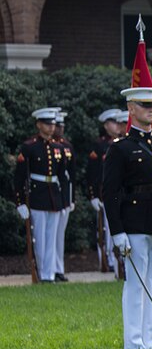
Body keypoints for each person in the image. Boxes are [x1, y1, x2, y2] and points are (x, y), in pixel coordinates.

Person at [102, 86, 152, 349]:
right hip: (135, 223)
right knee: (137, 284)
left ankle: (151, 339)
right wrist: (117, 232)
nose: (151, 110)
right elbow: (110, 194)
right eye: (145, 105)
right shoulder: (121, 149)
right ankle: (134, 342)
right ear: (131, 109)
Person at [13, 107, 65, 283]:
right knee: (40, 237)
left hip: (54, 196)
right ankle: (41, 272)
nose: (51, 127)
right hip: (37, 195)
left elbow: (63, 176)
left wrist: (65, 201)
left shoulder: (58, 147)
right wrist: (20, 202)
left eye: (52, 124)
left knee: (52, 238)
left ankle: (49, 274)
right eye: (47, 124)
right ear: (38, 125)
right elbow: (20, 177)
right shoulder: (29, 147)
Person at [88, 108, 127, 274]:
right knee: (107, 230)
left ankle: (119, 259)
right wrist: (94, 195)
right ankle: (108, 259)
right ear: (106, 125)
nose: (116, 126)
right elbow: (94, 173)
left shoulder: (121, 144)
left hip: (123, 193)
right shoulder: (101, 145)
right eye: (114, 122)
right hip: (107, 194)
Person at [52, 111, 75, 282]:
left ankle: (58, 268)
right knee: (51, 236)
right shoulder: (51, 147)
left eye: (61, 126)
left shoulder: (66, 146)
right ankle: (50, 269)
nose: (59, 129)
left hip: (63, 197)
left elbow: (71, 176)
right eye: (57, 126)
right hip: (52, 196)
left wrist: (71, 198)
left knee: (59, 236)